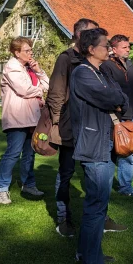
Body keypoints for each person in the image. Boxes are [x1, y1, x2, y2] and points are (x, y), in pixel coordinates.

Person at [70, 28, 128, 264]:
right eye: (105, 45)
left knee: (97, 205)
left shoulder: (101, 71)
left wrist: (115, 100)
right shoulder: (82, 73)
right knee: (97, 207)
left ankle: (87, 253)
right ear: (91, 49)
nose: (109, 49)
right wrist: (114, 100)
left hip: (102, 142)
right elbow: (109, 97)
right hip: (93, 145)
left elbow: (121, 95)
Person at [47, 18, 98, 237]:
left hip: (91, 124)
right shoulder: (66, 58)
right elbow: (56, 92)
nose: (94, 37)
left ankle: (97, 217)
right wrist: (57, 122)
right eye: (90, 33)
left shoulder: (93, 58)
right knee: (66, 172)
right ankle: (63, 218)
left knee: (93, 172)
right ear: (76, 35)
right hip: (70, 123)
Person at [0, 37, 49, 204]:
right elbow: (24, 90)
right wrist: (40, 89)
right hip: (17, 117)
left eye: (31, 49)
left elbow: (48, 84)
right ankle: (1, 188)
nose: (30, 52)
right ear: (17, 53)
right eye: (27, 50)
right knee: (12, 153)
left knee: (30, 154)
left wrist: (39, 71)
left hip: (32, 117)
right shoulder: (12, 67)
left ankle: (29, 184)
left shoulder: (29, 69)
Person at [101, 35, 133, 197]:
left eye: (128, 47)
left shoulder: (131, 66)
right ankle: (105, 187)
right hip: (114, 116)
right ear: (114, 48)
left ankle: (126, 187)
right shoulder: (107, 66)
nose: (128, 50)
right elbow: (109, 91)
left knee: (128, 152)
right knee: (111, 152)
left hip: (130, 116)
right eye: (124, 47)